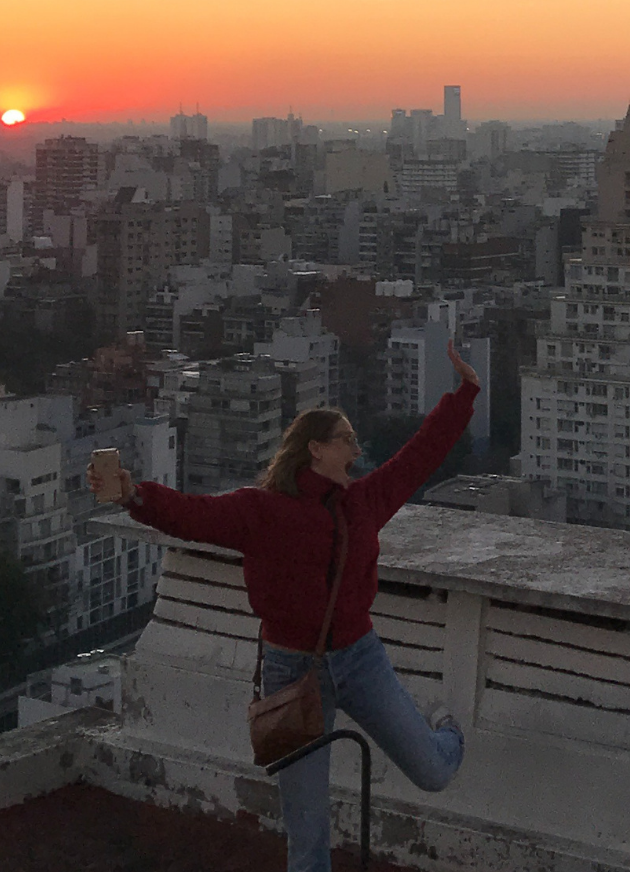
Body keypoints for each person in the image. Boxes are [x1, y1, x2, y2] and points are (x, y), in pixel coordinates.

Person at [88, 344, 482, 872]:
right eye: (346, 440)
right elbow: (190, 515)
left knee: (433, 770)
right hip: (292, 671)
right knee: (308, 838)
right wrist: (133, 496)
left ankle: (448, 728)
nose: (356, 449)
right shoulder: (260, 511)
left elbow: (419, 456)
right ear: (315, 449)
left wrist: (465, 395)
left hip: (360, 659)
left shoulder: (362, 503)